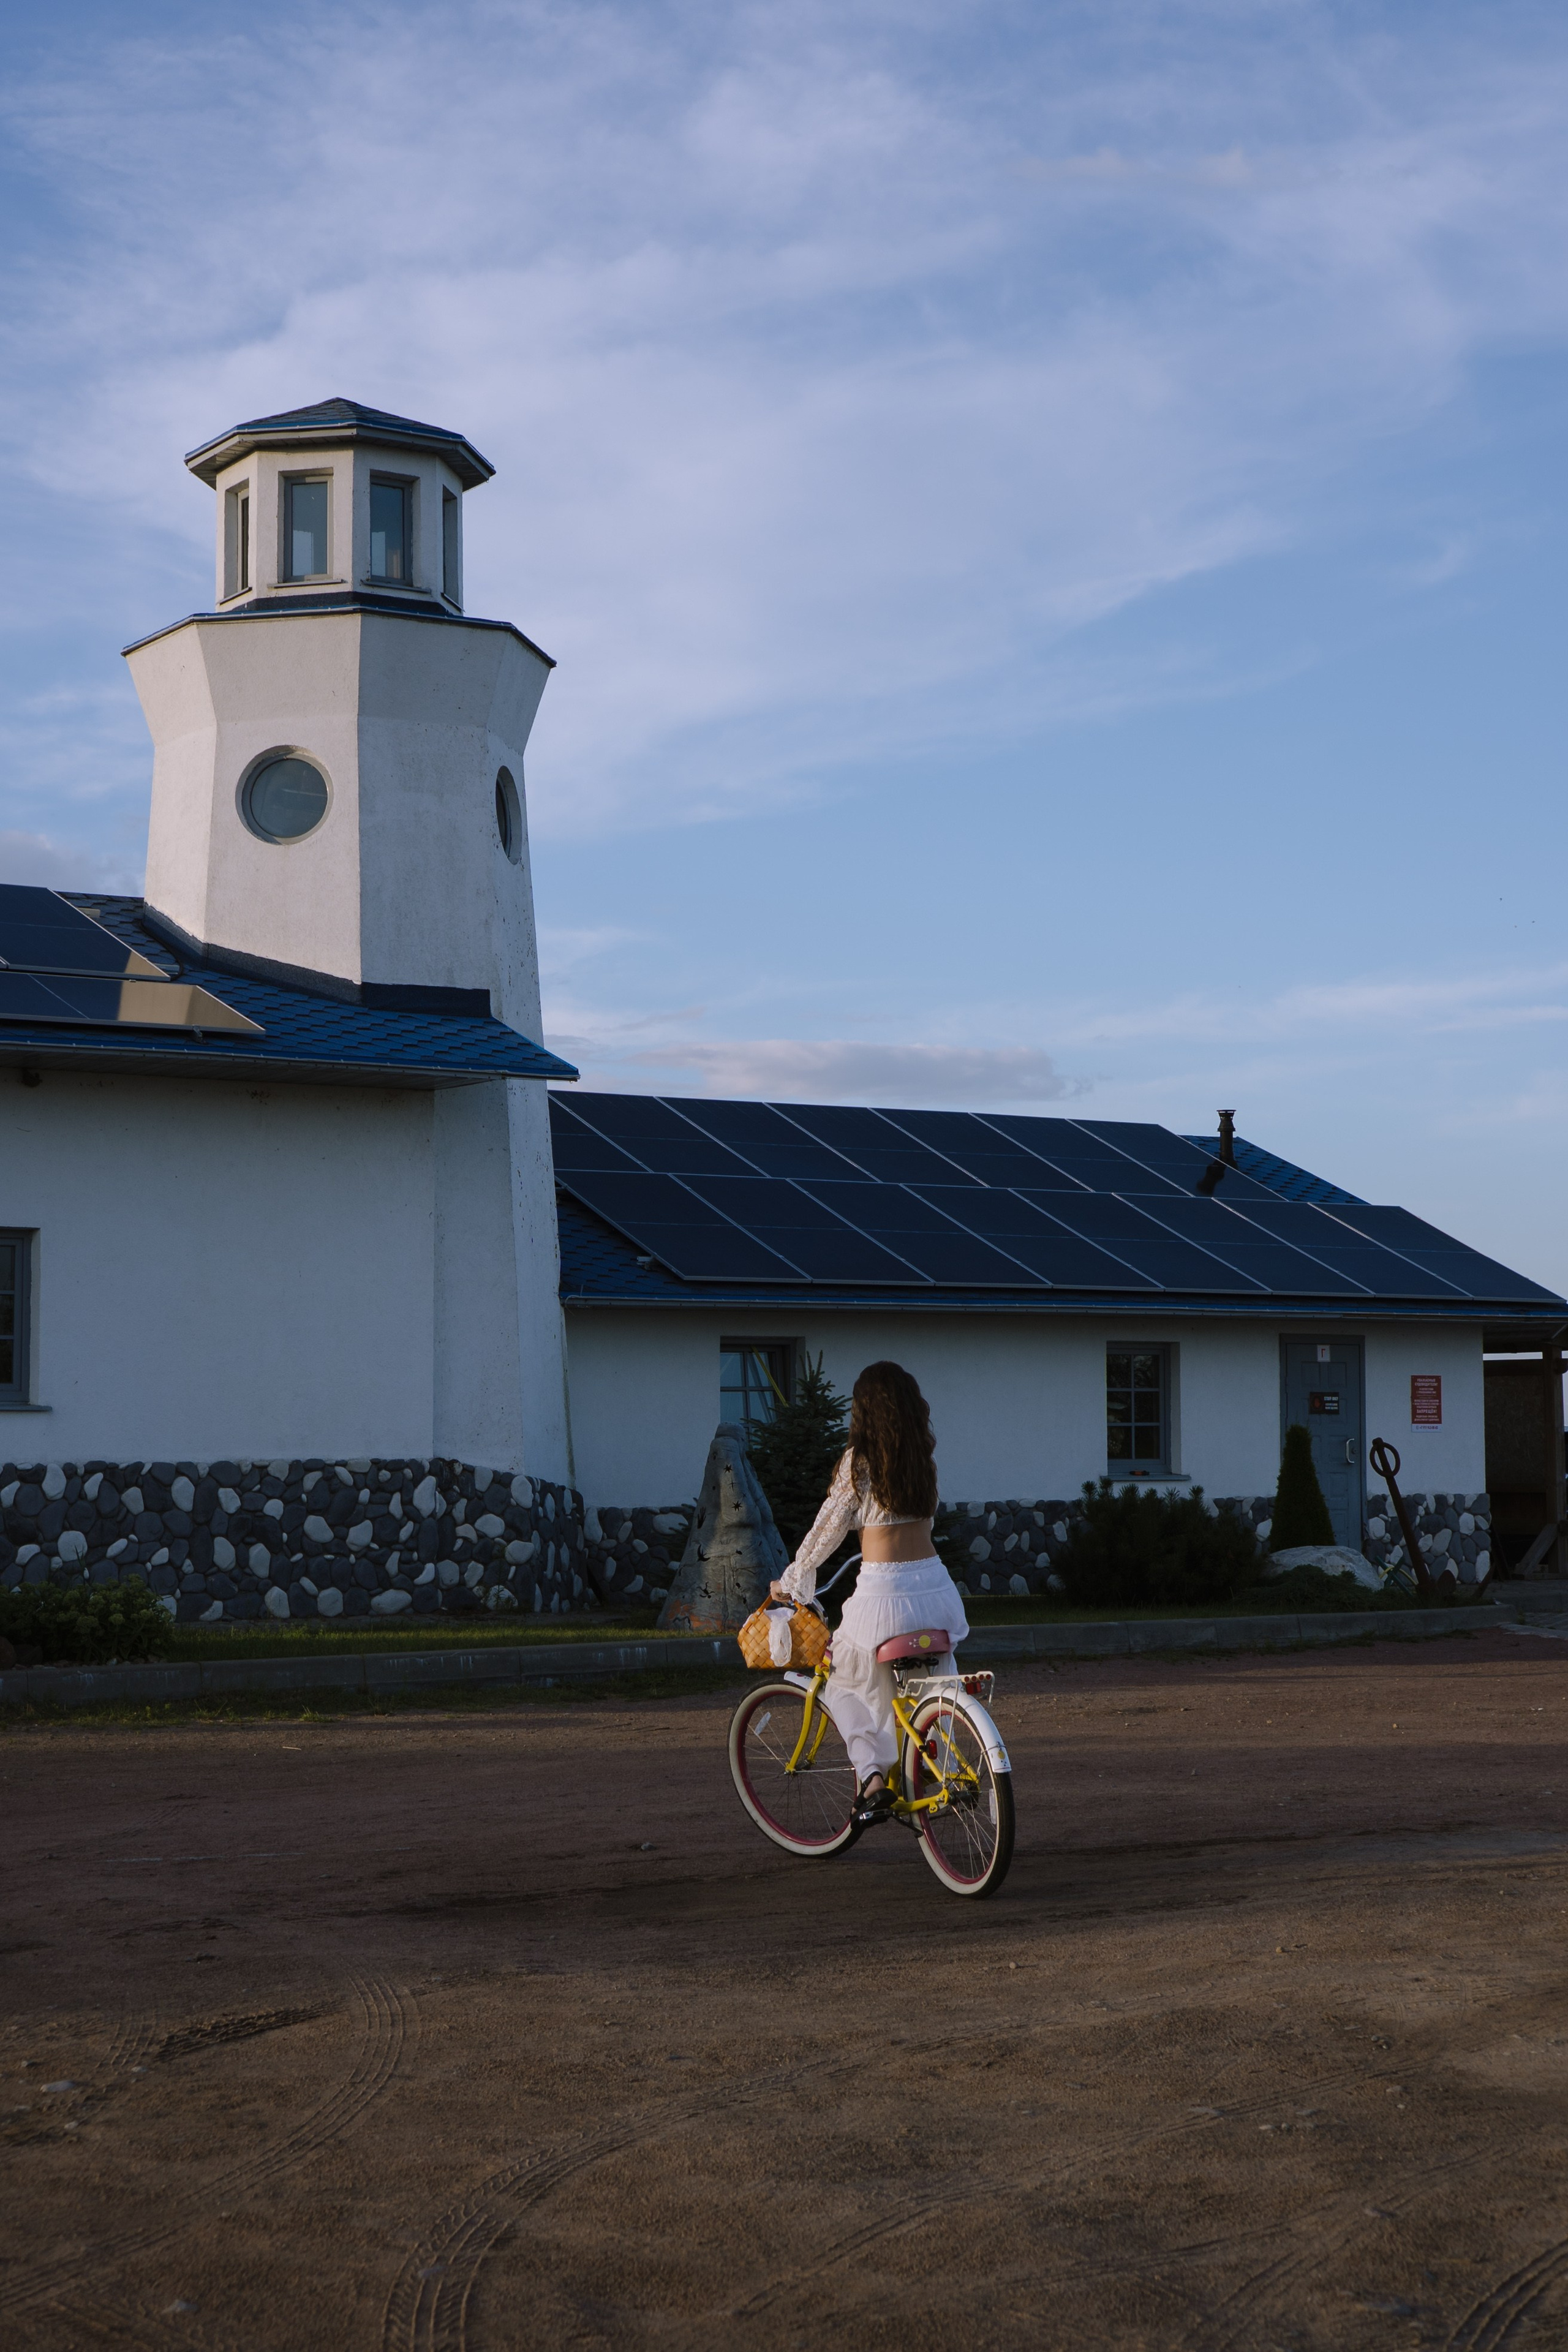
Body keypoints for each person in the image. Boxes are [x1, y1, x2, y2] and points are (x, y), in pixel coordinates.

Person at [770, 1360, 969, 1826]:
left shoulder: (858, 1463)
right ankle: (940, 1763)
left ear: (863, 1412)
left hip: (884, 1598)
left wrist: (793, 1580)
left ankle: (873, 1779)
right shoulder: (924, 1461)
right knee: (933, 1688)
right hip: (937, 1592)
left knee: (838, 1679)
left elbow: (827, 1531)